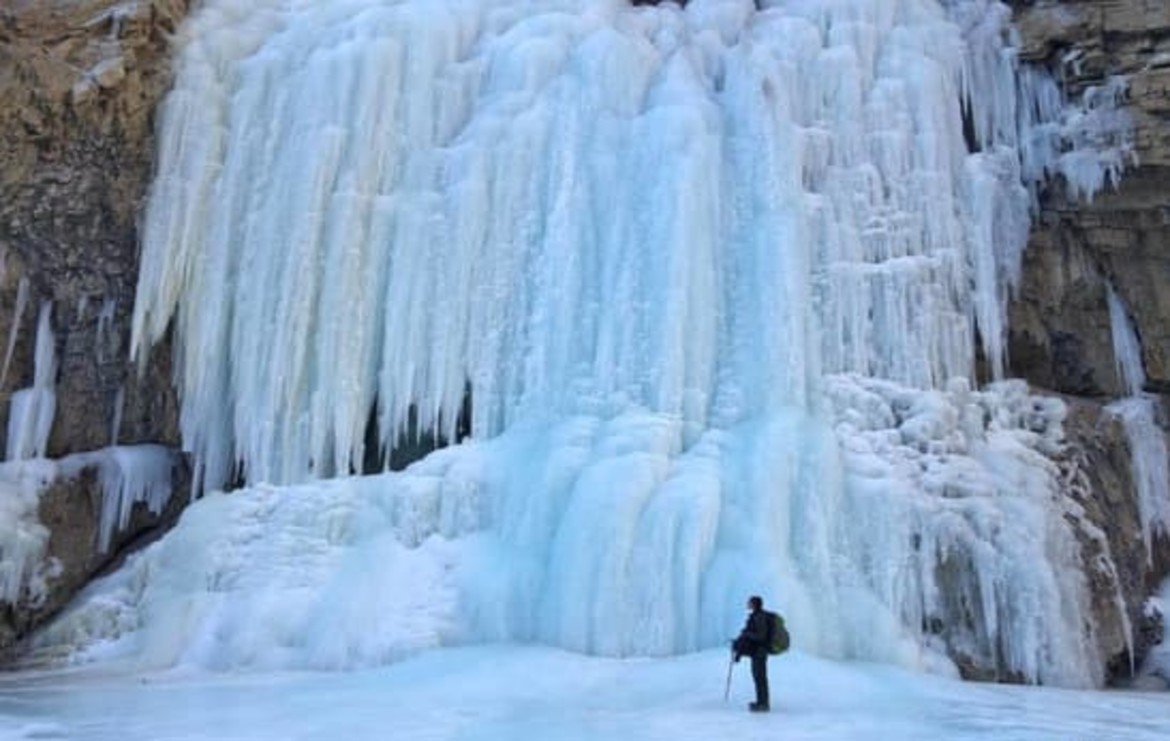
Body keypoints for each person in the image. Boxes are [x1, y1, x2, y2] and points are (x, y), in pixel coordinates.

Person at [732, 594, 770, 712]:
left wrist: (747, 634)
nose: (747, 604)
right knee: (758, 677)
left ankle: (763, 704)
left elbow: (761, 636)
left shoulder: (759, 617)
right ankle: (760, 702)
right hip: (756, 652)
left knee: (760, 678)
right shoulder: (756, 616)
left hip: (760, 652)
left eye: (749, 602)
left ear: (754, 604)